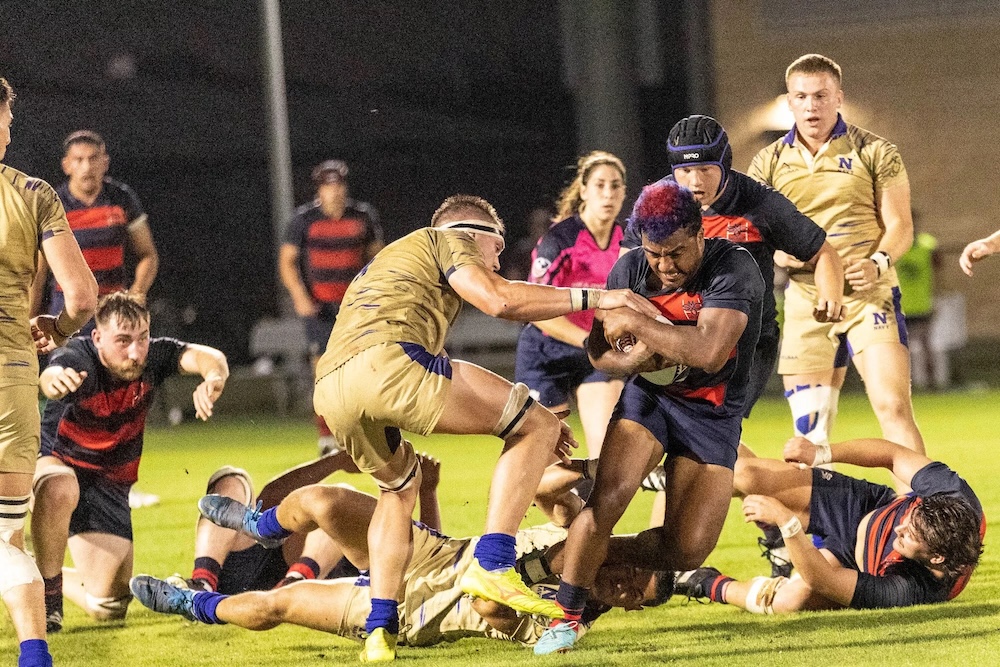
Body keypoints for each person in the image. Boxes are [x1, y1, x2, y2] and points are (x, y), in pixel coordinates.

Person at [308, 193, 660, 660]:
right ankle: (493, 564)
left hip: (332, 387)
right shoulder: (450, 239)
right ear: (477, 235)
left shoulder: (392, 260)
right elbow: (497, 299)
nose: (497, 261)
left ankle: (379, 627)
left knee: (397, 491)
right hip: (387, 362)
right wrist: (601, 296)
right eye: (496, 250)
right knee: (536, 425)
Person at [535, 180, 766, 655]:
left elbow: (707, 350)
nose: (665, 266)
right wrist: (638, 362)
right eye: (654, 254)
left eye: (677, 253)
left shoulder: (734, 266)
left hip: (713, 411)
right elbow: (597, 352)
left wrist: (641, 322)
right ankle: (570, 615)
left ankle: (562, 559)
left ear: (699, 233)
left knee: (687, 550)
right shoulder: (630, 267)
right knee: (609, 497)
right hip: (652, 401)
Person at [131, 481, 663, 651]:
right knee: (324, 501)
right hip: (431, 552)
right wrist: (586, 469)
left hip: (415, 613)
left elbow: (486, 606)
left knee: (279, 604)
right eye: (635, 572)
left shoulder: (567, 620)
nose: (625, 583)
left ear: (624, 607)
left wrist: (545, 570)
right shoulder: (582, 536)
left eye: (631, 594)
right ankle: (262, 524)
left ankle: (192, 603)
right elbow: (542, 484)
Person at [748, 54, 925, 486]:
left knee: (893, 408)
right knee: (810, 432)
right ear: (789, 102)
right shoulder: (767, 162)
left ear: (838, 98)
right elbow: (755, 233)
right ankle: (819, 541)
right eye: (801, 97)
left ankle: (927, 516)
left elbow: (901, 224)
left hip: (870, 296)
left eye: (821, 96)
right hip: (808, 300)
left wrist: (878, 260)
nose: (811, 106)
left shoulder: (876, 151)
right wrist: (777, 255)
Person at [30, 292, 229, 633]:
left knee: (109, 605)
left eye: (142, 339)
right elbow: (55, 370)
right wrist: (51, 381)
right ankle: (48, 603)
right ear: (97, 338)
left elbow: (209, 357)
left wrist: (214, 379)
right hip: (55, 466)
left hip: (108, 485)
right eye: (122, 341)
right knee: (60, 487)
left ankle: (31, 577)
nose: (135, 351)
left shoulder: (152, 357)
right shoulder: (80, 356)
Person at [622, 116, 844, 418]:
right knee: (655, 433)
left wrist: (831, 294)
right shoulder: (657, 202)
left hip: (744, 341)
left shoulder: (761, 204)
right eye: (685, 171)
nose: (696, 182)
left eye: (706, 170)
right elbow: (627, 265)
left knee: (713, 433)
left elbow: (822, 252)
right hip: (675, 333)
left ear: (724, 165)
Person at [0, 75, 98, 667]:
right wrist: (56, 331)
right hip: (10, 377)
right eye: (7, 121)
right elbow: (81, 296)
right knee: (4, 535)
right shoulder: (34, 193)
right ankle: (34, 653)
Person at [673, 436, 984, 613]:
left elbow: (822, 579)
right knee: (746, 476)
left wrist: (786, 522)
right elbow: (892, 454)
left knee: (787, 601)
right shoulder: (952, 494)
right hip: (865, 508)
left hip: (854, 561)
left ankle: (703, 580)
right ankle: (697, 434)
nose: (900, 527)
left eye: (910, 535)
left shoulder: (909, 590)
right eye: (910, 517)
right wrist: (821, 452)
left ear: (937, 558)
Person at [183, 450, 440, 595]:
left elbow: (426, 562)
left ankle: (296, 582)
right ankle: (203, 580)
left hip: (312, 584)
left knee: (337, 504)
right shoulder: (373, 512)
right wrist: (336, 461)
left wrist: (427, 492)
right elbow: (273, 495)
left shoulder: (380, 523)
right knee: (231, 479)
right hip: (241, 564)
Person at [516, 151, 629, 458]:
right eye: (600, 185)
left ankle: (593, 500)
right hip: (546, 353)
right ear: (583, 191)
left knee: (604, 454)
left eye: (615, 186)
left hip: (594, 353)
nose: (608, 194)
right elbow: (535, 308)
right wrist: (585, 340)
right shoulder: (560, 240)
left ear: (624, 192)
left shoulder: (629, 242)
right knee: (546, 466)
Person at [278, 159, 384, 456]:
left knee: (361, 369)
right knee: (323, 371)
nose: (334, 192)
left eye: (338, 186)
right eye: (328, 187)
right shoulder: (304, 219)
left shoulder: (363, 216)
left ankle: (362, 431)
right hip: (320, 308)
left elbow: (377, 258)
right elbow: (287, 261)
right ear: (319, 190)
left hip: (355, 307)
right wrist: (299, 295)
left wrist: (373, 295)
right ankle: (326, 436)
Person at [30, 130, 159, 331]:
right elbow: (38, 270)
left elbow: (148, 254)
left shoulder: (122, 198)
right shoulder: (53, 204)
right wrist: (26, 319)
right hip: (67, 314)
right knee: (67, 363)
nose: (87, 167)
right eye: (79, 159)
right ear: (67, 165)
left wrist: (137, 293)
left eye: (93, 158)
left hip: (113, 313)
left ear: (105, 163)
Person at [895, 224, 944, 389]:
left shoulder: (928, 244)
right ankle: (906, 383)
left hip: (922, 303)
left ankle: (932, 382)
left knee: (926, 344)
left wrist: (938, 295)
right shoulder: (894, 244)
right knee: (900, 347)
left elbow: (939, 269)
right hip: (900, 304)